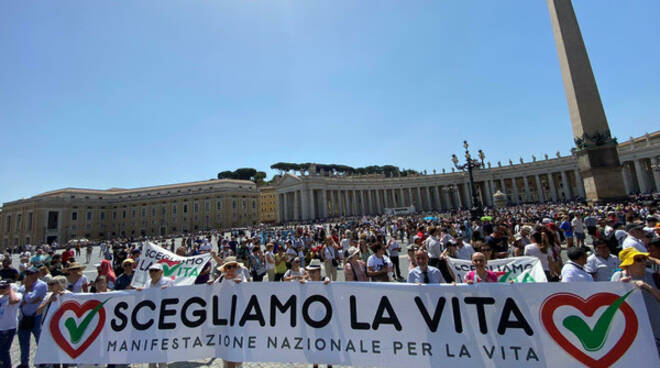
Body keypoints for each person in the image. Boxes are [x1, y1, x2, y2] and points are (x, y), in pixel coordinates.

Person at [611, 247, 660, 347]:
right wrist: (620, 286)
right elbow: (611, 302)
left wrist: (648, 287)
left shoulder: (654, 276)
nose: (643, 262)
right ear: (628, 264)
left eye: (644, 259)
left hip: (655, 328)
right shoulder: (618, 276)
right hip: (631, 330)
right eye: (638, 260)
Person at [17, 267, 47, 368]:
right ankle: (24, 363)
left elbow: (30, 299)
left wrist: (26, 290)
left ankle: (44, 361)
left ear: (37, 274)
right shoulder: (23, 286)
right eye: (28, 274)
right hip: (24, 317)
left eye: (31, 273)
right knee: (23, 342)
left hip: (36, 317)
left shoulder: (41, 285)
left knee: (40, 340)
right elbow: (19, 301)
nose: (29, 276)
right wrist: (27, 294)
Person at [0, 278, 22, 368]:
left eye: (3, 287)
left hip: (7, 328)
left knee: (4, 351)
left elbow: (14, 301)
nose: (1, 289)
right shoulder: (1, 297)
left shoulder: (17, 295)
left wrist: (10, 290)